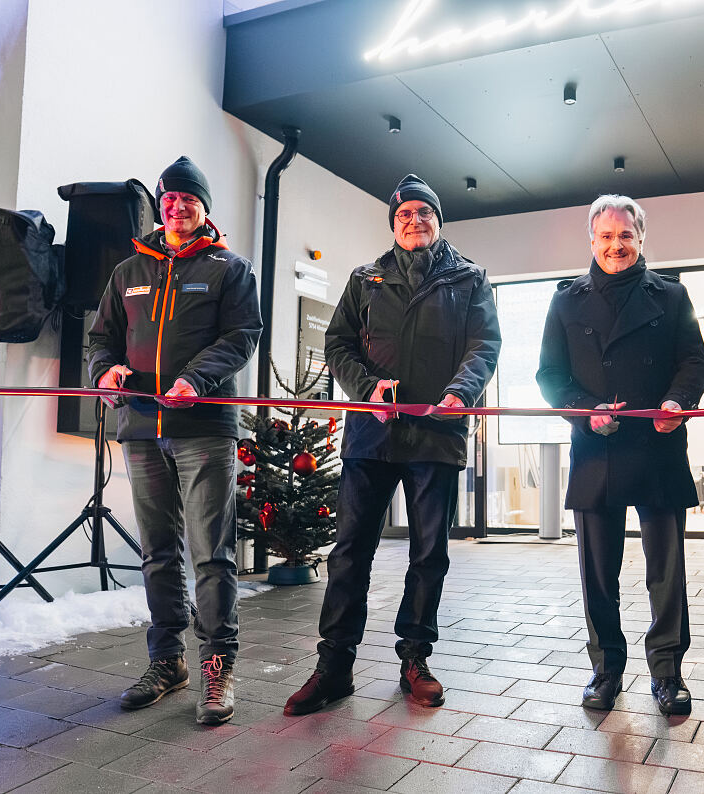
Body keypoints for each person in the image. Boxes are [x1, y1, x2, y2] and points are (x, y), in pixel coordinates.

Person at [284, 174, 501, 715]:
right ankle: (334, 666)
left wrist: (460, 392)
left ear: (438, 219)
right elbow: (337, 345)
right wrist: (365, 388)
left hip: (436, 433)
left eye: (424, 212)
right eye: (404, 213)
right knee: (351, 553)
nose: (414, 219)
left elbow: (485, 344)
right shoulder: (366, 278)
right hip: (370, 435)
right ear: (394, 222)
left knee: (430, 554)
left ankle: (415, 659)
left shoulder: (468, 278)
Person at [88, 156, 262, 726]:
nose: (178, 207)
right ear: (159, 208)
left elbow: (243, 336)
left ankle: (218, 666)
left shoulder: (228, 269)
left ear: (204, 208)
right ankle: (167, 660)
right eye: (169, 199)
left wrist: (196, 379)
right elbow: (103, 338)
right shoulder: (126, 272)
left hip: (203, 431)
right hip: (140, 428)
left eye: (190, 198)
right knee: (158, 553)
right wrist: (105, 372)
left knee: (211, 554)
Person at [537, 195, 704, 715]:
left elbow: (692, 361)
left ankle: (667, 673)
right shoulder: (565, 300)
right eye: (606, 236)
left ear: (641, 238)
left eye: (626, 235)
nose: (616, 245)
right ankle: (605, 669)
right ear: (592, 240)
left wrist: (678, 402)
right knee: (597, 572)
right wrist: (586, 410)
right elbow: (550, 375)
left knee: (667, 571)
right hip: (596, 450)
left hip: (657, 447)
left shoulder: (672, 295)